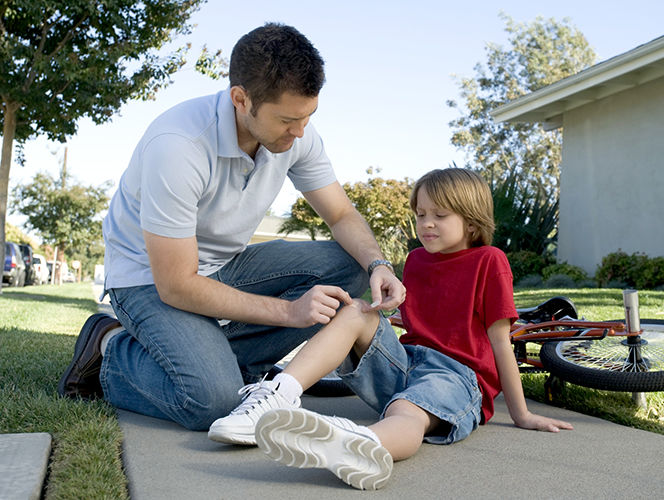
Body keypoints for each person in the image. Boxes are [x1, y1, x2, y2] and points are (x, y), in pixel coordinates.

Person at [57, 23, 404, 431]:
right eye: (288, 120)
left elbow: (342, 215)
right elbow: (177, 285)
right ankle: (110, 347)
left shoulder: (295, 134)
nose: (300, 132)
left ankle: (224, 362)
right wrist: (290, 312)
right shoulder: (178, 146)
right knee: (213, 401)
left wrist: (378, 264)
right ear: (241, 99)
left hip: (226, 266)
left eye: (309, 116)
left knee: (350, 262)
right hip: (148, 279)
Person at [208, 168, 573, 490]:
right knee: (356, 310)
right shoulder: (414, 261)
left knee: (409, 412)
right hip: (405, 364)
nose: (426, 223)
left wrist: (520, 413)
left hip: (458, 376)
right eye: (420, 214)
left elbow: (500, 342)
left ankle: (362, 443)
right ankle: (278, 394)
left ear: (472, 222)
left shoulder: (489, 261)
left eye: (439, 215)